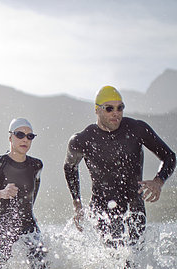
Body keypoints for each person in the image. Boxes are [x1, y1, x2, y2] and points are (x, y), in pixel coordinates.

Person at [64, 86, 175, 255]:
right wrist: (77, 202)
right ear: (97, 110)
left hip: (134, 206)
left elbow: (169, 156)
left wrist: (158, 181)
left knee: (134, 260)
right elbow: (70, 167)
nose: (116, 113)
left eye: (120, 107)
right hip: (102, 209)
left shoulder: (137, 129)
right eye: (109, 108)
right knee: (113, 258)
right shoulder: (82, 140)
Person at [0, 118, 47, 269]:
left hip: (29, 225)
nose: (25, 140)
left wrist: (26, 212)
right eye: (20, 134)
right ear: (10, 137)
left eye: (30, 136)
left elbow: (32, 195)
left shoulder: (36, 165)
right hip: (3, 227)